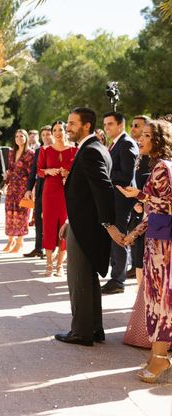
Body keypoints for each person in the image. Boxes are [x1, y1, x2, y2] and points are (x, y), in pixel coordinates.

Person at [55, 107, 120, 347]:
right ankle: (94, 328)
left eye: (72, 124)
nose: (68, 127)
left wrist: (107, 223)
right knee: (88, 279)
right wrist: (70, 220)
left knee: (79, 279)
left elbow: (103, 190)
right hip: (82, 223)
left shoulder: (91, 151)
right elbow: (87, 194)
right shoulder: (93, 149)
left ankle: (82, 332)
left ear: (87, 126)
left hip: (87, 228)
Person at [119, 119, 172, 383]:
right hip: (156, 241)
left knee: (160, 300)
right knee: (155, 298)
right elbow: (153, 214)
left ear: (159, 140)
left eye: (148, 135)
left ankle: (161, 357)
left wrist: (139, 195)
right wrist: (132, 235)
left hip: (163, 247)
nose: (141, 138)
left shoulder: (163, 166)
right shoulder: (158, 166)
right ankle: (157, 355)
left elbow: (166, 204)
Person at [102, 112, 139, 294]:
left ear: (120, 125)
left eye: (110, 124)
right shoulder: (115, 143)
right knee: (114, 237)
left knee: (119, 237)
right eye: (105, 124)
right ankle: (115, 276)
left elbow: (126, 176)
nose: (106, 127)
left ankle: (118, 280)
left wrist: (103, 173)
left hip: (122, 199)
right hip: (114, 198)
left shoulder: (126, 144)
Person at [36, 121, 77, 276]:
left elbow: (79, 171)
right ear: (51, 133)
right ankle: (48, 264)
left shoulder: (74, 150)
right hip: (50, 192)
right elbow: (39, 171)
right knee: (49, 226)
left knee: (64, 227)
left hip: (67, 193)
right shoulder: (44, 150)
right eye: (55, 130)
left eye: (61, 129)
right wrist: (48, 171)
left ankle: (60, 265)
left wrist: (69, 174)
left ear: (66, 131)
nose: (58, 132)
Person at [127, 115, 151, 281]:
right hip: (137, 211)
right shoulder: (137, 151)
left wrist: (140, 199)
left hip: (151, 216)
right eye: (132, 125)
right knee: (137, 258)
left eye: (137, 126)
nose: (133, 129)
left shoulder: (158, 160)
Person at [3, 130, 35, 253]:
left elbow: (32, 173)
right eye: (16, 136)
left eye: (21, 136)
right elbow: (10, 169)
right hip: (12, 188)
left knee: (22, 215)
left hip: (23, 188)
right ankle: (10, 240)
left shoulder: (30, 153)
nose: (19, 138)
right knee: (10, 214)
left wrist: (30, 190)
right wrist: (6, 181)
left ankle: (20, 242)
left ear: (26, 138)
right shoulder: (11, 153)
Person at [24, 125, 53, 259]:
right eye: (43, 135)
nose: (46, 137)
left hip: (55, 192)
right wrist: (29, 189)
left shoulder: (59, 149)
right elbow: (33, 172)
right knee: (38, 221)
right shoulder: (39, 151)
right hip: (41, 191)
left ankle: (52, 249)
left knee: (52, 221)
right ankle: (38, 248)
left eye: (48, 134)